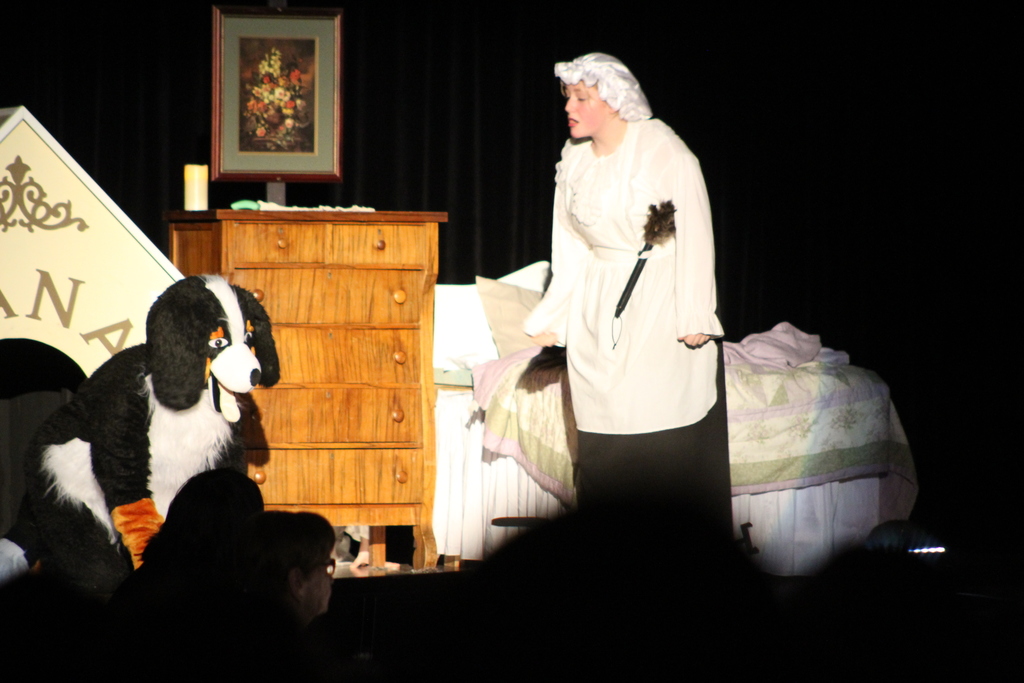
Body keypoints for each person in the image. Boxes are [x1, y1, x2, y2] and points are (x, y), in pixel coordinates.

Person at [524, 53, 731, 530]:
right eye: (569, 98)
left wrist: (695, 312)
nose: (569, 108)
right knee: (603, 441)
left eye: (582, 98)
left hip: (657, 299)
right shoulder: (574, 159)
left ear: (614, 102)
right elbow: (569, 245)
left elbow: (695, 230)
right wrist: (554, 314)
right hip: (598, 307)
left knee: (661, 437)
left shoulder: (662, 151)